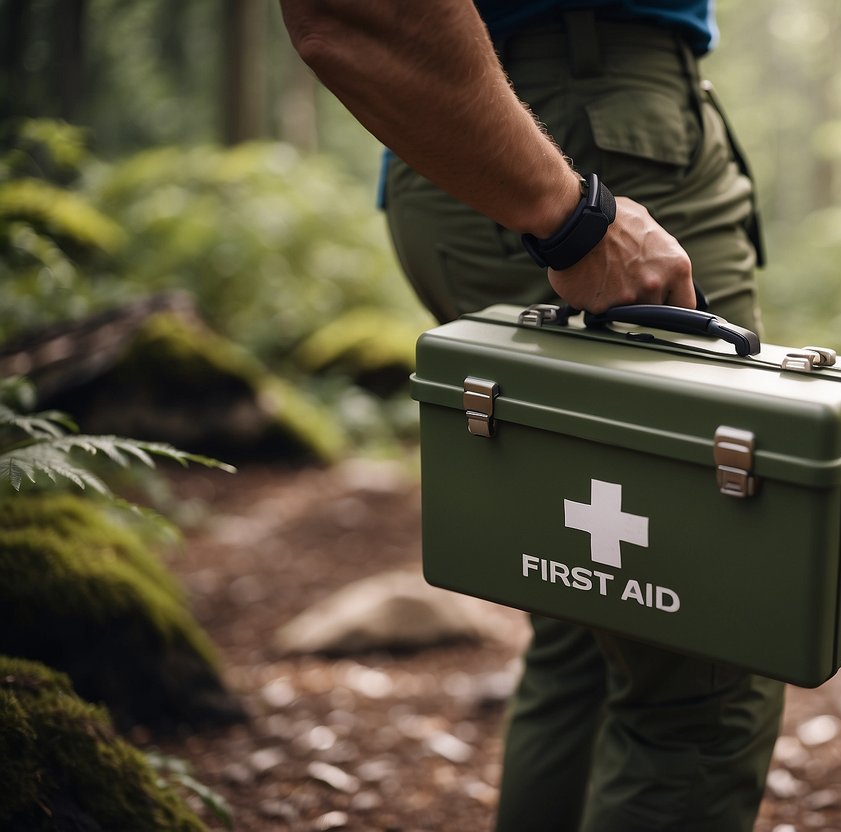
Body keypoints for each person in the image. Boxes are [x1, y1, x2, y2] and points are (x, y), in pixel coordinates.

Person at [278, 2, 785, 830]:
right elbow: (347, 13)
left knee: (587, 617)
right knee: (705, 654)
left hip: (522, 130)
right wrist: (575, 217)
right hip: (583, 134)